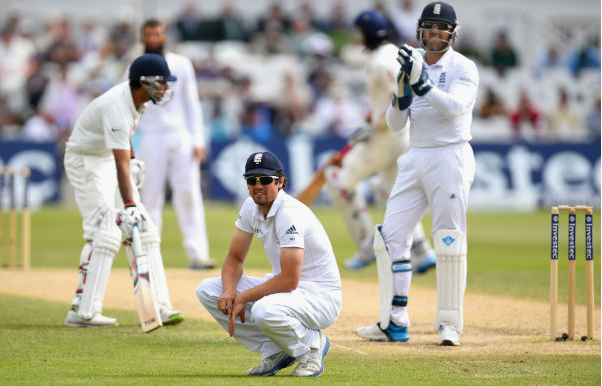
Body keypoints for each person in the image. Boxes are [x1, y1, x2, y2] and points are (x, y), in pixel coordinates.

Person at [356, 1, 478, 346]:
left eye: (441, 28)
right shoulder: (412, 63)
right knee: (391, 236)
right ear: (420, 30)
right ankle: (394, 321)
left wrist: (422, 83)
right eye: (429, 27)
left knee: (448, 238)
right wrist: (402, 91)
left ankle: (449, 323)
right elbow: (396, 125)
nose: (434, 34)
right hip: (416, 156)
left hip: (450, 156)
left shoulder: (464, 67)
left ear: (452, 33)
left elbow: (455, 109)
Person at [64, 53, 184, 327]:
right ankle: (83, 312)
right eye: (162, 83)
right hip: (86, 160)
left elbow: (123, 147)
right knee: (106, 229)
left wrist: (132, 160)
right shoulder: (117, 107)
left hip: (107, 157)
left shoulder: (138, 101)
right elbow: (118, 161)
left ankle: (161, 306)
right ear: (146, 82)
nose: (166, 88)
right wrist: (129, 205)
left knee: (145, 230)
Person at [196, 151, 342, 377]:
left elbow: (289, 279)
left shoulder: (289, 214)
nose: (258, 186)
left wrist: (242, 296)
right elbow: (234, 258)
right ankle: (275, 350)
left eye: (265, 180)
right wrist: (229, 290)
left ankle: (313, 345)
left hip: (320, 297)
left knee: (265, 310)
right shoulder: (249, 207)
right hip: (290, 294)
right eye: (251, 180)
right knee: (208, 290)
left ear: (280, 181)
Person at [323, 9, 436, 274]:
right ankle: (421, 250)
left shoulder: (381, 60)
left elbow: (401, 93)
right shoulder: (390, 53)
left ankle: (365, 244)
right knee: (389, 192)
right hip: (399, 137)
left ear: (365, 34)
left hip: (387, 137)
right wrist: (371, 120)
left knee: (338, 179)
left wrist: (375, 125)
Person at [134, 19, 216, 269]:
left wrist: (198, 140)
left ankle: (198, 254)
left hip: (180, 135)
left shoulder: (181, 63)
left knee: (189, 193)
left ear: (164, 36)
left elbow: (192, 103)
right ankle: (148, 256)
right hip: (151, 136)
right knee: (150, 197)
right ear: (143, 38)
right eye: (150, 35)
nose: (155, 38)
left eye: (158, 34)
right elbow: (131, 105)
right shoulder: (135, 66)